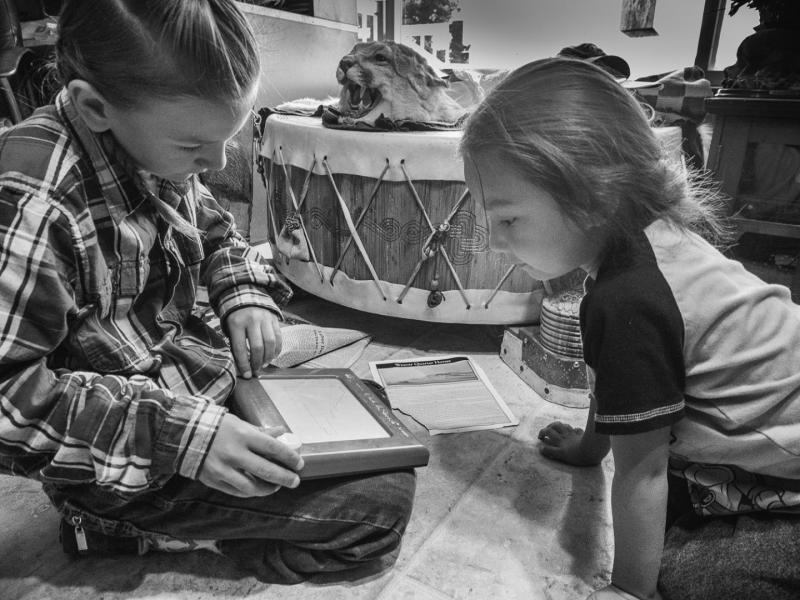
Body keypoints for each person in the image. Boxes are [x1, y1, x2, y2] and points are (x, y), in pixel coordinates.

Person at [0, 0, 414, 583]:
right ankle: (112, 524)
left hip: (185, 383)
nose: (215, 163)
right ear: (95, 106)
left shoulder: (149, 138)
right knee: (382, 511)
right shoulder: (34, 202)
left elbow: (216, 231)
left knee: (373, 420)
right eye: (194, 148)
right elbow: (8, 398)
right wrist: (180, 438)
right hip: (125, 454)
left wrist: (240, 292)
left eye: (228, 139)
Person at [461, 57, 800, 600]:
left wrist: (628, 590)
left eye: (507, 219)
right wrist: (590, 449)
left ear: (593, 196)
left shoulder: (629, 299)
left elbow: (642, 471)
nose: (494, 242)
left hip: (788, 480)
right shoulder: (642, 246)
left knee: (693, 578)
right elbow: (617, 384)